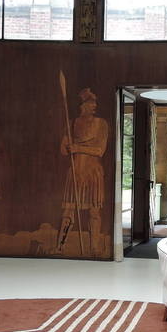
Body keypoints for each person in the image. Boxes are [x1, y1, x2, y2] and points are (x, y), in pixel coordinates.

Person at [56, 88, 109, 256]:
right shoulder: (72, 123)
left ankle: (94, 248)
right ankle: (59, 247)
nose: (94, 105)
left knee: (94, 212)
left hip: (92, 172)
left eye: (94, 102)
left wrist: (77, 147)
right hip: (76, 172)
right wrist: (66, 145)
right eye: (90, 103)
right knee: (68, 211)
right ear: (82, 106)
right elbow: (63, 151)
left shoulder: (101, 124)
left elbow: (100, 150)